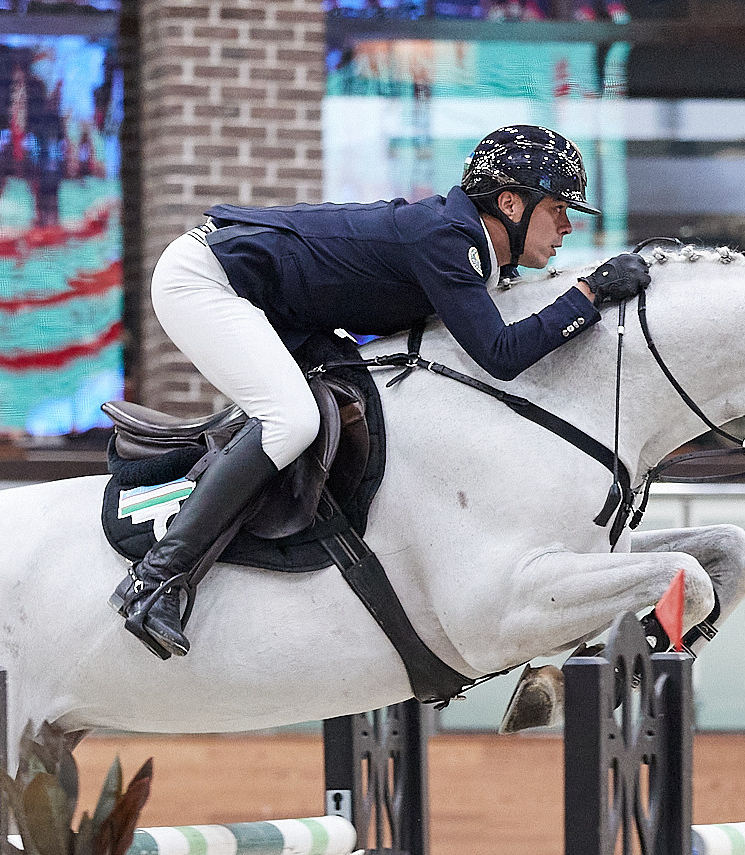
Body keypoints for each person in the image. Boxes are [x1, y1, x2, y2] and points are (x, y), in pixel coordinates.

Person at [110, 124, 652, 659]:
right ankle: (156, 580)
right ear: (511, 203)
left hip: (277, 304)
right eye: (559, 209)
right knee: (292, 421)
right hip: (207, 281)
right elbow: (503, 356)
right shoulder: (448, 241)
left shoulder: (464, 247)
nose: (567, 227)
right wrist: (589, 292)